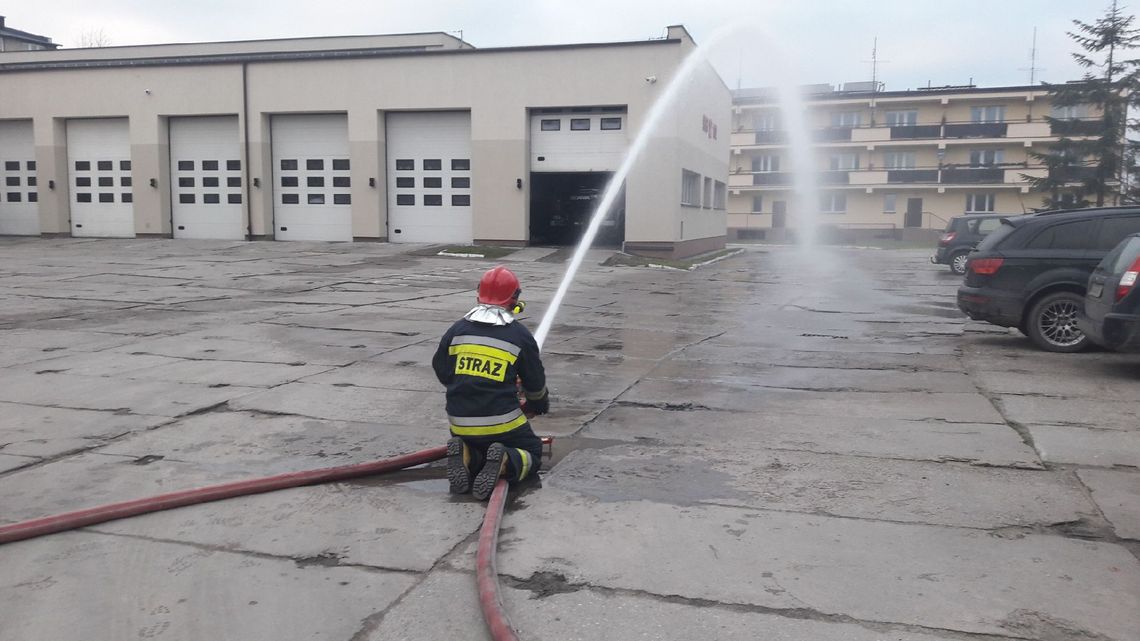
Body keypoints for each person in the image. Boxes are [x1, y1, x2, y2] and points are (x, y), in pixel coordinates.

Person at [432, 265, 549, 500]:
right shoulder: (519, 335)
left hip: (460, 423)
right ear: (514, 299)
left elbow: (442, 370)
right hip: (503, 425)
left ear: (478, 294)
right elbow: (535, 384)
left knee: (481, 449)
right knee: (533, 452)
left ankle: (465, 453)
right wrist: (537, 405)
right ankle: (506, 461)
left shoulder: (457, 329)